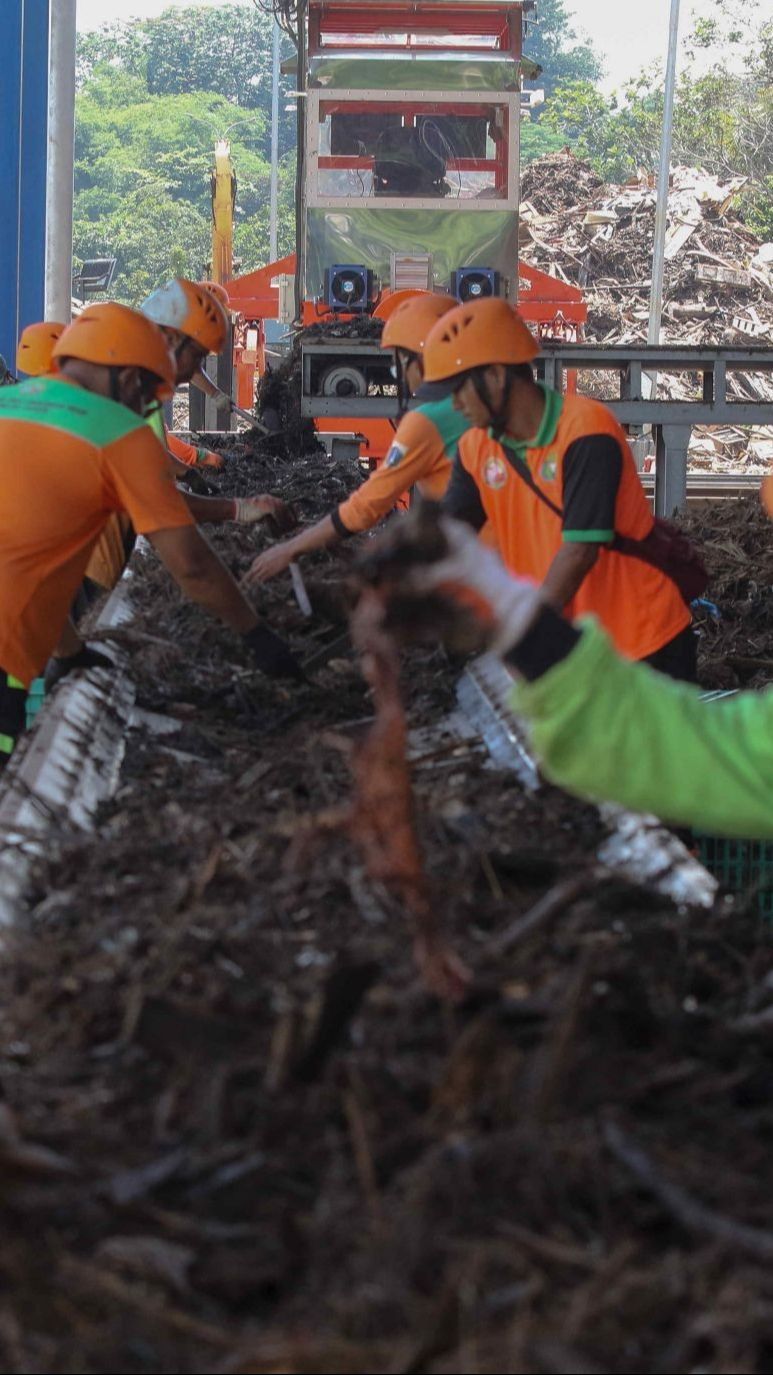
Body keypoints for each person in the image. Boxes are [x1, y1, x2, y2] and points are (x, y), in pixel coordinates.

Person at [0, 302, 300, 760]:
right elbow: (192, 565)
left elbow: (26, 556)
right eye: (148, 394)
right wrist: (258, 638)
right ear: (126, 375)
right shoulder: (117, 432)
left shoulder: (11, 405)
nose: (145, 409)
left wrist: (70, 650)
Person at [388, 507, 773, 840]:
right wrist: (519, 621)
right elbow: (723, 753)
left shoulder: (585, 432)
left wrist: (517, 616)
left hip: (640, 637)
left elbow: (709, 756)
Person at [424, 298, 698, 682]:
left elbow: (579, 550)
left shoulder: (586, 430)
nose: (454, 403)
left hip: (641, 646)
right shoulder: (476, 448)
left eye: (459, 388)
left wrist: (525, 639)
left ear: (497, 376)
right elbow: (446, 535)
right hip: (571, 649)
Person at [244, 293, 465, 587]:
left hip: (470, 571)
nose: (398, 373)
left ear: (423, 357)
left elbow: (367, 506)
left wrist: (291, 548)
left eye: (400, 361)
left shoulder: (428, 423)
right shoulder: (476, 408)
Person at [141, 277, 231, 471]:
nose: (192, 372)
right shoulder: (135, 384)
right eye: (197, 356)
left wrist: (215, 394)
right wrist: (198, 456)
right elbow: (154, 449)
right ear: (173, 340)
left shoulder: (138, 374)